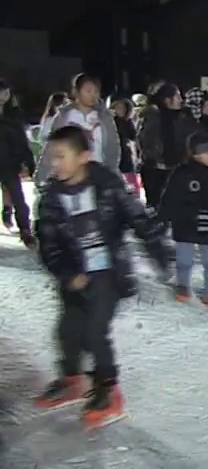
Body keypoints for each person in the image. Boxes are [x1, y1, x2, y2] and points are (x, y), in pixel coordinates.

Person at [32, 126, 172, 429]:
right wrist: (68, 274)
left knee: (95, 333)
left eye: (61, 156)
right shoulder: (51, 199)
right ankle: (72, 379)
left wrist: (159, 251)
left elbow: (138, 218)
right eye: (52, 157)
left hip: (108, 274)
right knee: (69, 332)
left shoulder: (108, 185)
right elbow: (49, 246)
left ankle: (108, 388)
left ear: (83, 156)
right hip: (74, 277)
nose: (55, 163)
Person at [162, 132, 208, 309]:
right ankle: (183, 286)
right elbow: (171, 197)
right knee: (184, 260)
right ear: (195, 154)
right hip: (186, 224)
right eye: (207, 153)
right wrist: (163, 217)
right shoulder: (182, 173)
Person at [36, 74, 121, 182]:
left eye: (96, 91)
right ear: (76, 92)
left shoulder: (105, 118)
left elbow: (113, 146)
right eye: (88, 91)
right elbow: (51, 146)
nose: (93, 95)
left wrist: (112, 173)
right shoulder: (64, 117)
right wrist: (42, 175)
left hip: (98, 174)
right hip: (69, 176)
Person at [137, 83, 194, 209]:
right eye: (177, 96)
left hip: (176, 169)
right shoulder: (152, 117)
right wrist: (157, 161)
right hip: (155, 172)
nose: (181, 100)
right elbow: (145, 142)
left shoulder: (181, 117)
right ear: (167, 100)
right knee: (157, 207)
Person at [0, 79, 36, 246]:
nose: (3, 96)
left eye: (6, 92)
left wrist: (29, 162)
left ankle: (25, 229)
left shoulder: (14, 114)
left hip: (9, 163)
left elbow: (21, 140)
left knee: (18, 197)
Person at [110, 97, 140, 193]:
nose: (120, 110)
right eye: (118, 107)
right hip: (113, 152)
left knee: (129, 175)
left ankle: (133, 194)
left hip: (125, 152)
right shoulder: (110, 121)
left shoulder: (128, 122)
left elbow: (133, 136)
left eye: (123, 108)